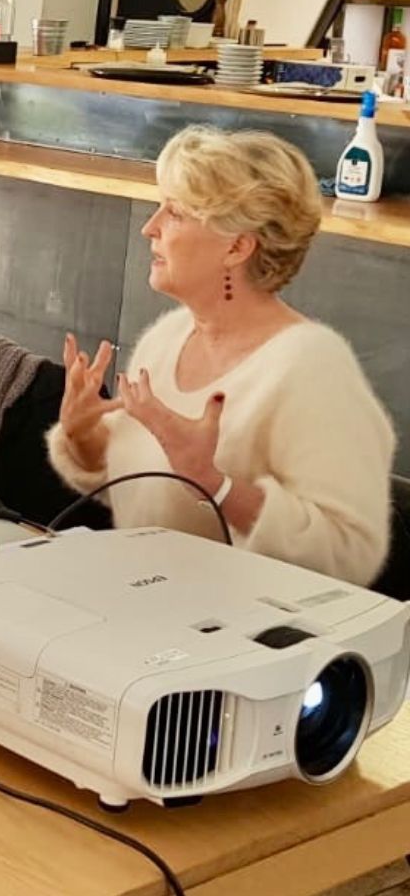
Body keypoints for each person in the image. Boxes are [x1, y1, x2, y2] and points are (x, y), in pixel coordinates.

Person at [48, 126, 394, 585]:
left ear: (236, 246)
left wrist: (215, 483)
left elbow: (350, 552)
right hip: (143, 601)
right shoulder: (166, 338)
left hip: (240, 623)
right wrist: (82, 434)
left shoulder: (313, 368)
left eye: (175, 212)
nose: (150, 227)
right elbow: (142, 493)